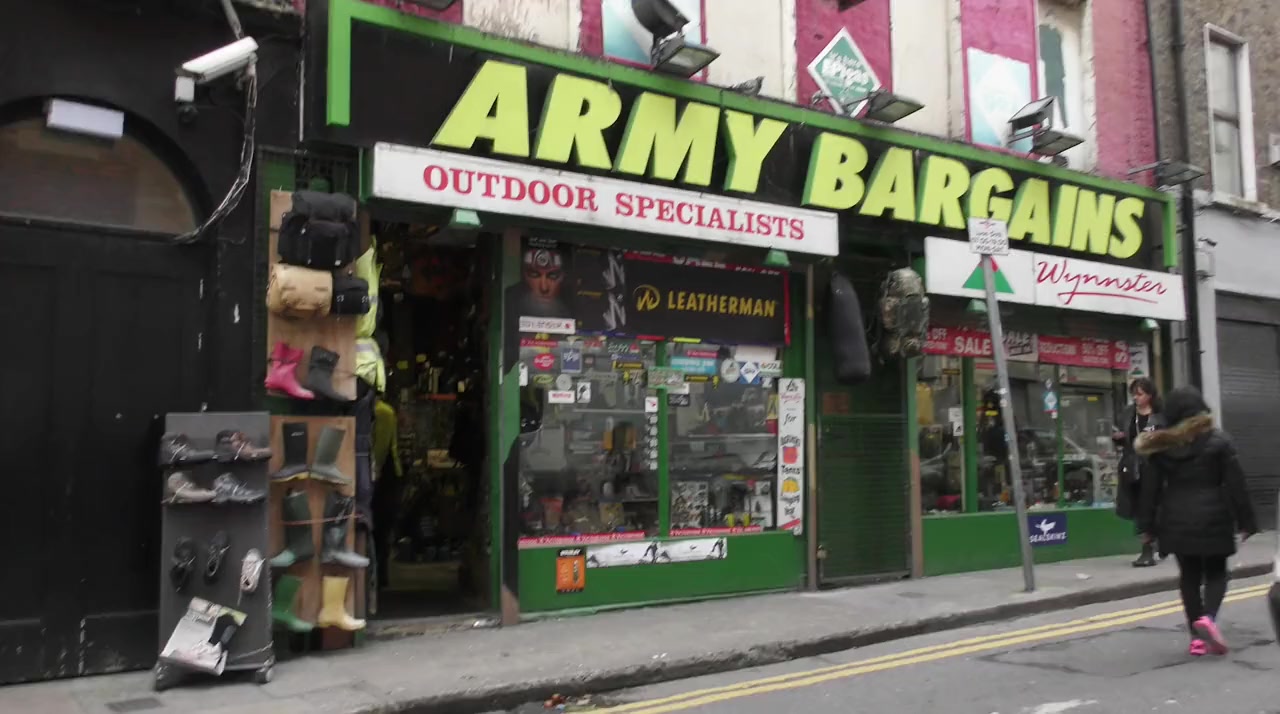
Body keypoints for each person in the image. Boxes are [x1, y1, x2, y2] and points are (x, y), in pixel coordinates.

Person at [1136, 386, 1257, 656]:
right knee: (1217, 572)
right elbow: (1236, 484)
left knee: (1189, 576)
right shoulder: (1219, 441)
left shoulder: (1162, 446)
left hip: (1175, 517)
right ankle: (1208, 619)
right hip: (1214, 515)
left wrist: (1147, 527)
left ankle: (1197, 639)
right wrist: (1247, 521)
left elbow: (1150, 490)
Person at [1112, 377, 1166, 567]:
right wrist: (1118, 438)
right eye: (1134, 394)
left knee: (1149, 506)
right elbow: (1122, 436)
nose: (1136, 398)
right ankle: (1150, 543)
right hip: (1132, 466)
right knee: (1137, 507)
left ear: (1150, 395)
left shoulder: (1160, 414)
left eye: (1140, 394)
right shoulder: (1128, 413)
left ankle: (1149, 548)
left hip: (1154, 466)